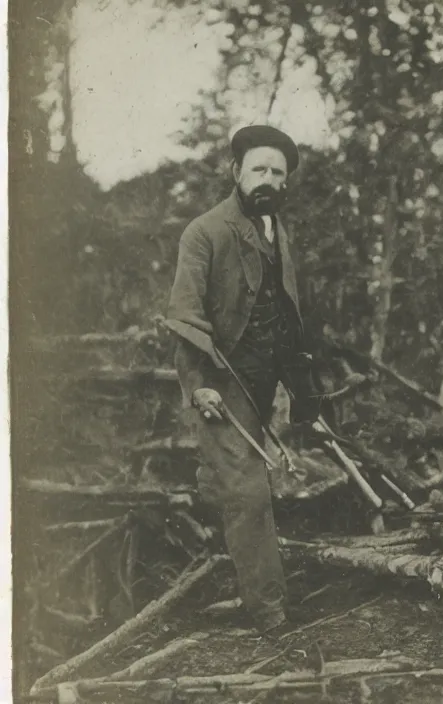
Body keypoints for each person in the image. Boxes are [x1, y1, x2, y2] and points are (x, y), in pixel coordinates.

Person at [165, 125, 319, 633]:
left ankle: (244, 586)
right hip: (221, 383)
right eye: (259, 169)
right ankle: (271, 616)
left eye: (277, 172)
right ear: (236, 173)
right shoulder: (205, 232)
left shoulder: (279, 232)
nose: (268, 179)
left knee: (248, 489)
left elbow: (290, 313)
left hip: (263, 385)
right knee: (249, 493)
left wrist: (301, 386)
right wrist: (197, 384)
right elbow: (184, 316)